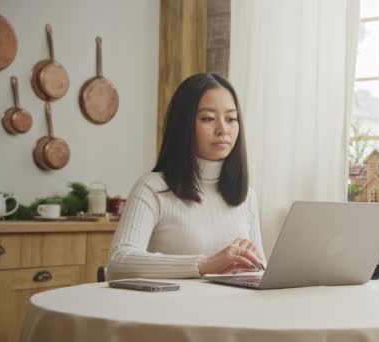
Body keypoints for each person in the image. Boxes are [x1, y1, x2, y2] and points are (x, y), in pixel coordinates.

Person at [107, 73, 265, 280]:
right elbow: (119, 261)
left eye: (231, 119)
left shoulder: (247, 196)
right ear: (184, 124)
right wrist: (205, 265)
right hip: (168, 311)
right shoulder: (152, 188)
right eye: (208, 118)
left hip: (229, 309)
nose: (223, 130)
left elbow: (261, 270)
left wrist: (255, 263)